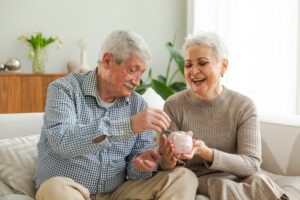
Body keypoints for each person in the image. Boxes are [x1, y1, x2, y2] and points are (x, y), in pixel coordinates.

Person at [34, 30, 198, 200]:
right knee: (56, 189)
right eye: (132, 70)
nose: (137, 81)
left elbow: (135, 173)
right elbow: (63, 142)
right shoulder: (64, 90)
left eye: (141, 73)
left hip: (117, 193)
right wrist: (129, 126)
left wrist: (142, 165)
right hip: (69, 189)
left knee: (184, 177)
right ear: (107, 61)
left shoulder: (138, 105)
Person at [160, 32, 300, 199]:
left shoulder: (243, 106)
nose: (194, 71)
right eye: (188, 65)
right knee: (221, 185)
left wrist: (208, 153)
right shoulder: (174, 105)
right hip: (196, 179)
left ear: (223, 66)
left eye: (202, 63)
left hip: (240, 177)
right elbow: (168, 167)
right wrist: (168, 160)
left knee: (259, 181)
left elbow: (251, 164)